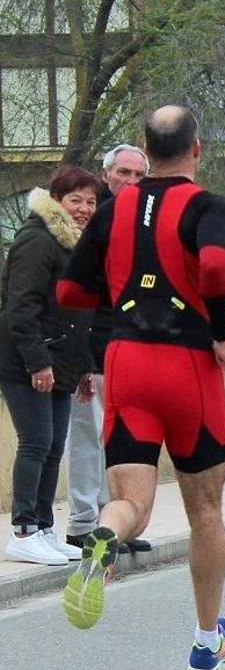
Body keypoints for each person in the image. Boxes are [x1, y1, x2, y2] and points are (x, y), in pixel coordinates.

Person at [55, 106, 225, 670]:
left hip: (127, 364)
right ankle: (207, 641)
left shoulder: (112, 211)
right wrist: (221, 333)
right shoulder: (208, 206)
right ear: (197, 148)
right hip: (187, 366)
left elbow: (68, 290)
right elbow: (213, 266)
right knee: (205, 511)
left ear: (146, 147)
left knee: (132, 502)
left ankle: (104, 539)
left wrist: (123, 303)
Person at [4, 167, 101, 567]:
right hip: (27, 362)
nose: (83, 209)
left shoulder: (73, 244)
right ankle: (24, 530)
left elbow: (76, 314)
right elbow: (20, 309)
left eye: (91, 201)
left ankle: (44, 527)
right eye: (75, 200)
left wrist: (84, 369)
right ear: (57, 199)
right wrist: (38, 363)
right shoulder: (37, 240)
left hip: (61, 362)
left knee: (53, 448)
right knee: (36, 443)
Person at [65, 144, 153, 556]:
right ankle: (83, 522)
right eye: (123, 173)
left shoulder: (146, 220)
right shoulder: (95, 220)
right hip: (93, 346)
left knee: (118, 441)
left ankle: (113, 523)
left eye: (138, 175)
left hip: (132, 348)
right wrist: (81, 357)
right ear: (107, 175)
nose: (130, 182)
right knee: (88, 437)